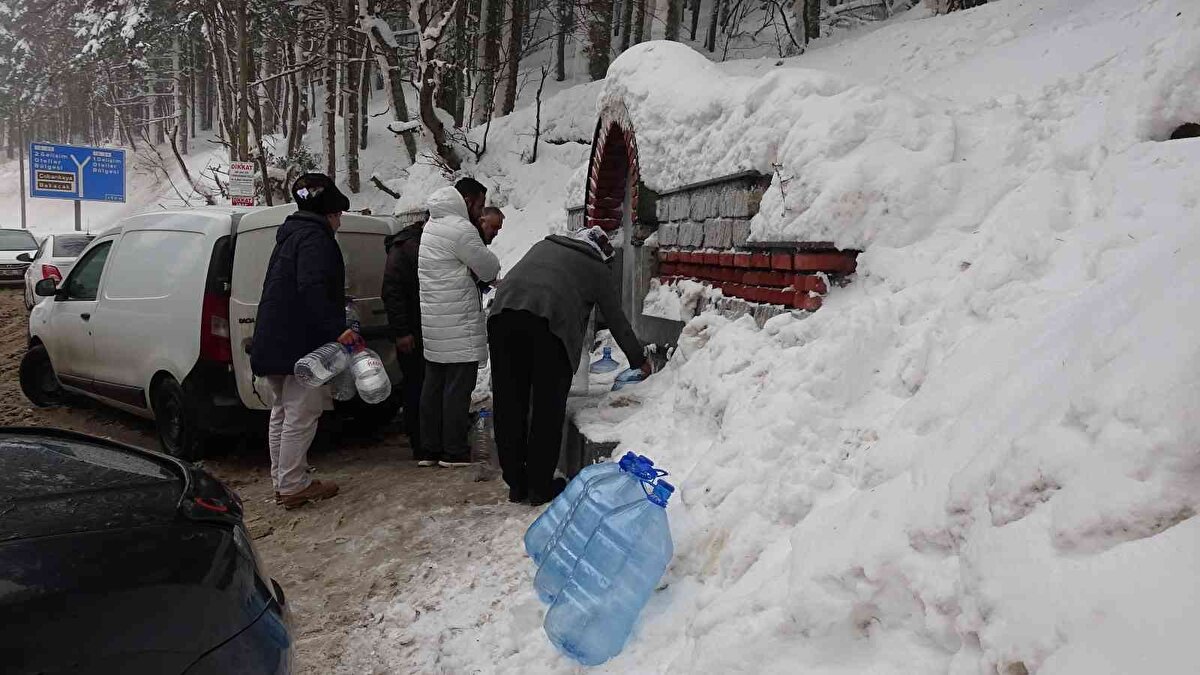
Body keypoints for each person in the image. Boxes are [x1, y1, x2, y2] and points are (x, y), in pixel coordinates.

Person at [488, 226, 652, 505]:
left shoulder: (545, 245)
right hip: (548, 326)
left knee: (509, 403)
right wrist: (639, 360)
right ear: (603, 254)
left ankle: (516, 484)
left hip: (502, 318)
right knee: (546, 408)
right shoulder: (597, 268)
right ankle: (539, 487)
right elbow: (616, 320)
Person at [251, 173, 356, 509]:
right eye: (338, 214)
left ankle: (283, 480)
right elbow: (311, 288)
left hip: (276, 336)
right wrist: (336, 329)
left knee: (282, 411)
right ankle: (294, 484)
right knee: (303, 411)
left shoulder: (290, 236)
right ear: (328, 212)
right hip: (299, 341)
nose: (339, 220)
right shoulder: (314, 239)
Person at [418, 178, 501, 467]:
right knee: (457, 388)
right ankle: (453, 451)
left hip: (433, 322)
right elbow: (489, 267)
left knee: (433, 387)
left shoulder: (431, 226)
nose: (479, 214)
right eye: (479, 205)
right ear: (468, 201)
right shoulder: (461, 229)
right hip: (458, 323)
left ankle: (429, 449)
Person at [382, 215, 428, 463]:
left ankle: (422, 438)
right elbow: (392, 291)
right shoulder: (407, 248)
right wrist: (402, 331)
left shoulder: (409, 246)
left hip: (417, 329)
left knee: (419, 384)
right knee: (416, 386)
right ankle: (420, 442)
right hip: (412, 331)